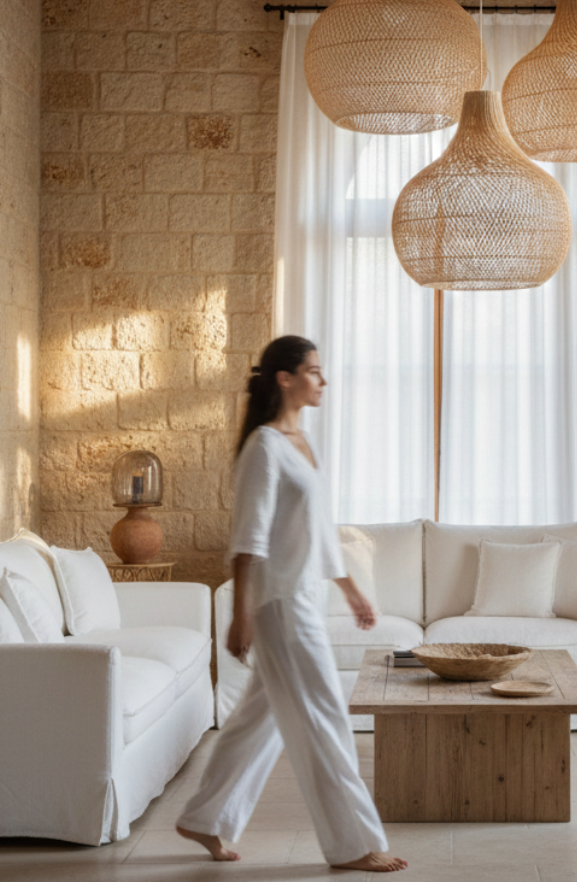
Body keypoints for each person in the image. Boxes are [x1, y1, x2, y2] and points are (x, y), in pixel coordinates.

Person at [176, 335, 408, 873]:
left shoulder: (302, 443)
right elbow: (248, 537)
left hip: (304, 598)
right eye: (314, 371)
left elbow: (321, 531)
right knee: (325, 715)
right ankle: (354, 844)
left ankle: (205, 816)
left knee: (262, 717)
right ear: (286, 379)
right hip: (280, 605)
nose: (323, 381)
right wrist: (241, 614)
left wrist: (350, 590)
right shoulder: (264, 446)